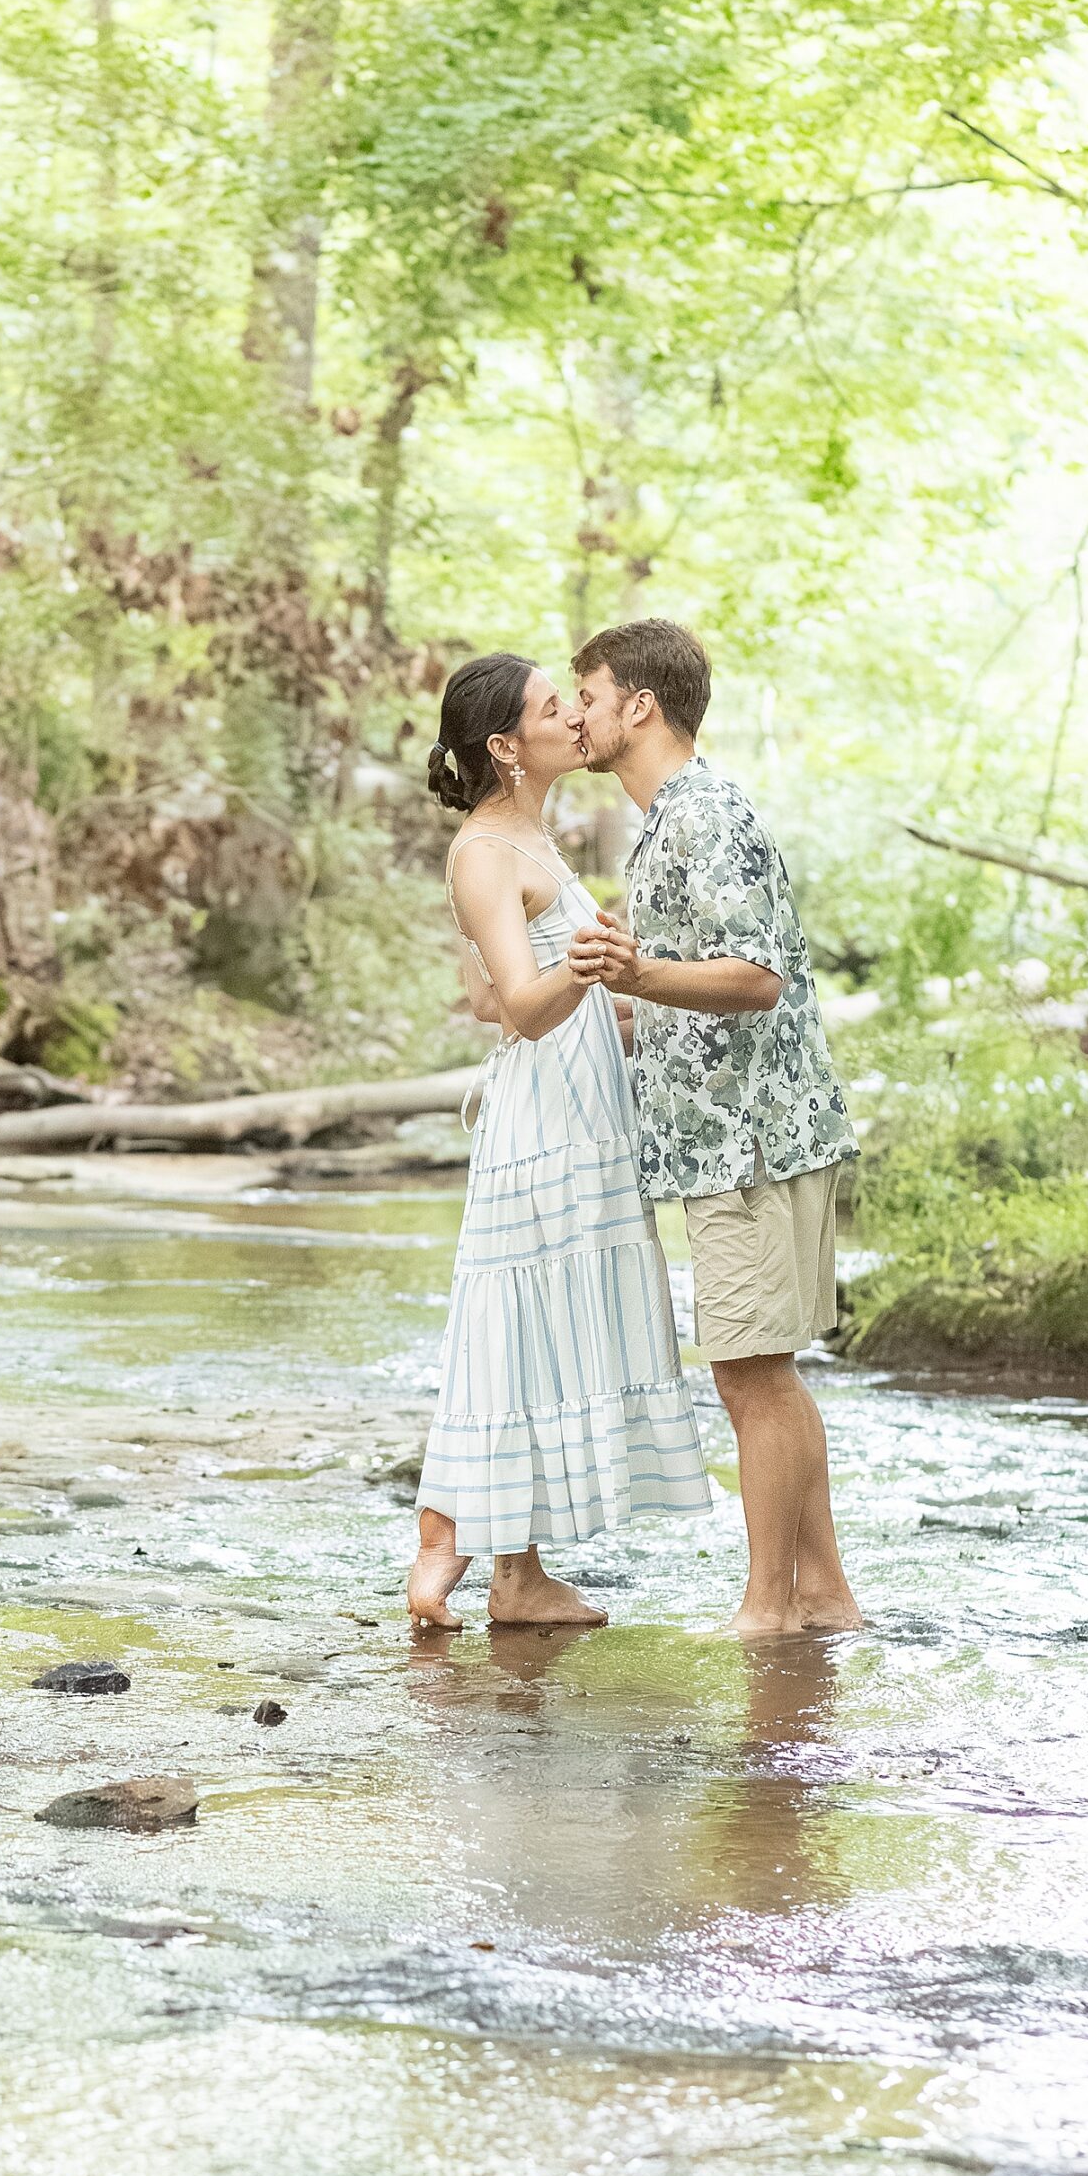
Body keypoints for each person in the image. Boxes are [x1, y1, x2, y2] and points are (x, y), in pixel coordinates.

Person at [568, 619, 862, 1636]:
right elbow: (690, 994)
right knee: (762, 1369)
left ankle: (768, 1607)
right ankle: (823, 1595)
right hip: (725, 1143)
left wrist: (639, 974)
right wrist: (605, 1007)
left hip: (753, 1145)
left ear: (641, 706)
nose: (581, 716)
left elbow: (755, 976)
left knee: (749, 1374)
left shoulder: (704, 817)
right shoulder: (662, 823)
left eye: (593, 698)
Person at [408, 652, 710, 1633]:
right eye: (553, 708)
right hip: (541, 1124)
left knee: (541, 1331)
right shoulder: (487, 851)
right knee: (522, 1329)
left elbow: (491, 990)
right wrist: (586, 968)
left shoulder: (529, 835)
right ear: (505, 746)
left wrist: (603, 978)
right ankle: (475, 1557)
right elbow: (522, 1010)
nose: (576, 718)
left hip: (581, 1115)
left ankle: (491, 1561)